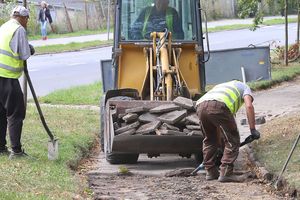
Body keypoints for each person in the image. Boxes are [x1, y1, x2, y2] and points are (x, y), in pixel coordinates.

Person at [195, 80, 260, 182]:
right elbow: (249, 106)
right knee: (232, 140)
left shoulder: (221, 85)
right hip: (219, 106)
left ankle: (210, 171)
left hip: (200, 106)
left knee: (210, 139)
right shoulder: (245, 87)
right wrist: (253, 129)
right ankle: (226, 173)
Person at [0, 6, 35, 159]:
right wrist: (30, 49)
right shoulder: (18, 29)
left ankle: (1, 148)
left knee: (1, 113)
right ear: (23, 17)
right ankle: (16, 151)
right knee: (15, 114)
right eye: (27, 19)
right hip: (8, 78)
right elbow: (24, 54)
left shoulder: (4, 26)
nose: (27, 22)